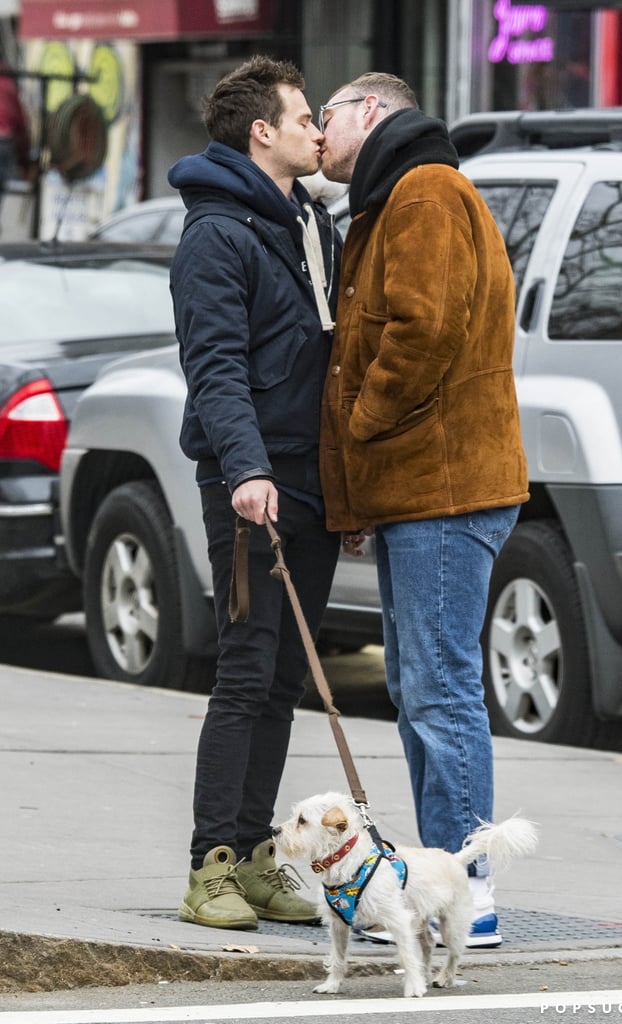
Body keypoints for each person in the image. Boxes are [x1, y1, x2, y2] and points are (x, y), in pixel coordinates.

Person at [318, 72, 529, 948]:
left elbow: (422, 329)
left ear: (371, 112)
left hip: (444, 488)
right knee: (419, 689)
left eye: (324, 116)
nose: (317, 133)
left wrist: (363, 428)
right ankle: (446, 882)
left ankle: (465, 892)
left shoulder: (423, 191)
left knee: (438, 694)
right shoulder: (401, 195)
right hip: (424, 488)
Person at [168, 55, 341, 930]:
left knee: (282, 679)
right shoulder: (217, 234)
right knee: (244, 672)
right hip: (251, 484)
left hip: (308, 482)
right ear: (260, 131)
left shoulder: (305, 219)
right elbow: (216, 366)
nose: (319, 128)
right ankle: (212, 865)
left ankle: (260, 852)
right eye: (305, 116)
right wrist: (245, 470)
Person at [0, 63, 31, 227]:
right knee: (11, 194)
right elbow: (22, 125)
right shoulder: (8, 85)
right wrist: (25, 160)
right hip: (6, 143)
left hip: (5, 145)